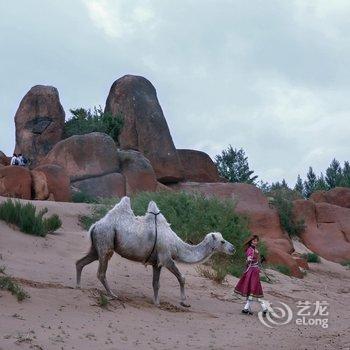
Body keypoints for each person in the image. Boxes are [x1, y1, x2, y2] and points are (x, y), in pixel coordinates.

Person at [234, 234, 268, 316]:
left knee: (252, 290)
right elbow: (251, 259)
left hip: (252, 271)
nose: (255, 242)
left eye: (256, 241)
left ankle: (250, 309)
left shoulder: (253, 250)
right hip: (252, 270)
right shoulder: (253, 250)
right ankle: (250, 309)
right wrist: (251, 260)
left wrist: (250, 260)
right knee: (252, 290)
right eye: (254, 241)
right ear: (251, 241)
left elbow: (250, 259)